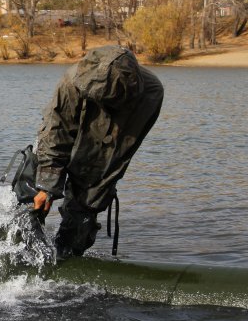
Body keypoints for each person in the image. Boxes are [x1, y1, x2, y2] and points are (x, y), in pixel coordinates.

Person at [32, 45, 163, 258]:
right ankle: (16, 247)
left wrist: (91, 195)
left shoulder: (151, 94)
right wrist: (47, 185)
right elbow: (56, 130)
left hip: (111, 140)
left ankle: (68, 255)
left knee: (88, 200)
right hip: (61, 129)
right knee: (34, 185)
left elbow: (112, 157)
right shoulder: (73, 80)